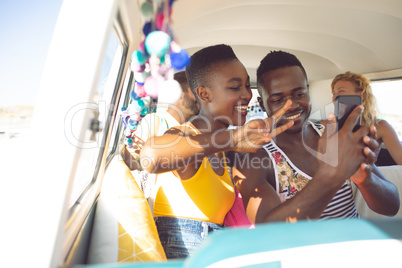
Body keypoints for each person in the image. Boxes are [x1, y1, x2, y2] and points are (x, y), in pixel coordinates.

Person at [140, 44, 294, 258]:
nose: (246, 95)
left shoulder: (223, 149)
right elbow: (150, 157)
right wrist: (232, 138)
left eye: (247, 86)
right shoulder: (186, 135)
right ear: (204, 94)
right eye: (234, 87)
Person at [230, 51, 399, 224]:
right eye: (278, 99)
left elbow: (392, 206)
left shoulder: (337, 137)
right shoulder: (254, 158)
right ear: (262, 104)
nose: (292, 105)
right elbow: (270, 232)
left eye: (298, 94)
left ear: (308, 91)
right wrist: (330, 177)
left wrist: (365, 179)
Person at [122, 71, 200, 201]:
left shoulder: (193, 130)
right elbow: (129, 165)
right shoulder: (155, 122)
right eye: (194, 92)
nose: (199, 98)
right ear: (180, 95)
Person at [331, 71, 402, 165]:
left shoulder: (380, 126)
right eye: (334, 93)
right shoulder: (327, 125)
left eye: (341, 91)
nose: (335, 97)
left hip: (365, 177)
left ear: (361, 95)